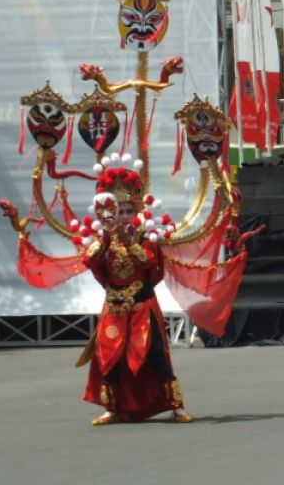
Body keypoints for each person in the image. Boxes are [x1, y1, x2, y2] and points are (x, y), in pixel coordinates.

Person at [79, 160, 192, 425]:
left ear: (137, 210)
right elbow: (89, 260)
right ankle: (112, 408)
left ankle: (176, 406)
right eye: (121, 210)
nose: (125, 215)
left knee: (155, 355)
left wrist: (132, 245)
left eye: (130, 210)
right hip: (115, 305)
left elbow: (150, 264)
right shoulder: (104, 238)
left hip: (142, 305)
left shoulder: (146, 236)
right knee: (109, 357)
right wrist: (106, 239)